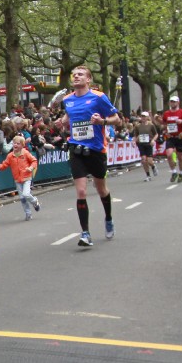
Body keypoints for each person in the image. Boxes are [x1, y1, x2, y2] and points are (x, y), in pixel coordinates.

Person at [59, 67, 121, 246]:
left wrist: (102, 121)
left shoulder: (98, 97)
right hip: (76, 148)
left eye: (80, 74)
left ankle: (108, 218)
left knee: (101, 189)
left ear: (88, 80)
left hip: (96, 149)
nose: (76, 76)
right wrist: (62, 122)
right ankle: (85, 233)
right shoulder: (67, 100)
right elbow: (68, 117)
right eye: (74, 75)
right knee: (81, 191)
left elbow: (117, 119)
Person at [0, 135, 39, 219]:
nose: (15, 145)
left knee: (26, 194)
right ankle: (28, 213)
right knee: (22, 198)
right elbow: (4, 165)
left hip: (26, 178)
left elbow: (34, 161)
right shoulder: (10, 156)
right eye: (14, 143)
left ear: (22, 145)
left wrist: (30, 168)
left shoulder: (25, 153)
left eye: (18, 144)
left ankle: (34, 201)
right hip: (17, 180)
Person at [161, 96, 182, 183]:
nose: (172, 103)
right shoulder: (166, 113)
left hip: (179, 137)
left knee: (180, 157)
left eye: (174, 102)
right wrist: (164, 131)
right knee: (169, 154)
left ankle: (181, 173)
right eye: (171, 102)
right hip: (170, 137)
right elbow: (164, 124)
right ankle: (174, 172)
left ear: (178, 102)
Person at [133, 112, 158, 181]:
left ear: (147, 117)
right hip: (141, 144)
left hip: (148, 144)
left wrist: (153, 140)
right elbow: (135, 135)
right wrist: (134, 141)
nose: (143, 118)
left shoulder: (151, 125)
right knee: (144, 160)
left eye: (144, 116)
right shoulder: (137, 126)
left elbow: (156, 134)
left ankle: (153, 166)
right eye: (142, 116)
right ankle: (148, 175)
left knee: (149, 161)